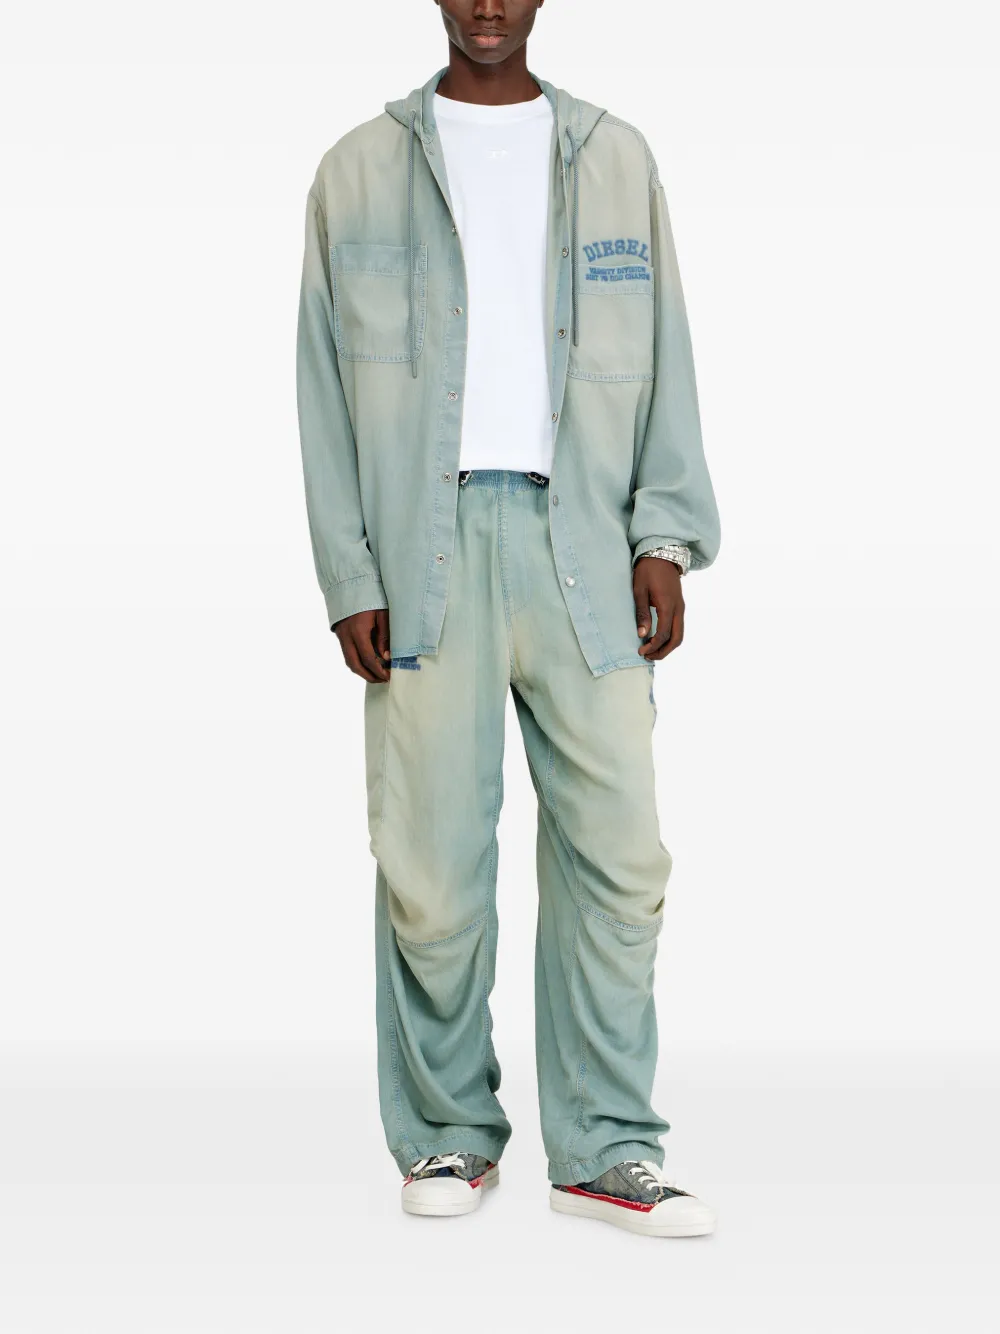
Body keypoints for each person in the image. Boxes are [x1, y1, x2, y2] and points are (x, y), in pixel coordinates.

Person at [295, 0, 721, 1238]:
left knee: (620, 858)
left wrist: (662, 536)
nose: (488, 2)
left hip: (583, 542)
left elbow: (668, 356)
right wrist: (350, 575)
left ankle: (608, 1146)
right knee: (430, 869)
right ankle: (445, 1131)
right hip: (421, 553)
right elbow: (318, 386)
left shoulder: (616, 158)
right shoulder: (356, 171)